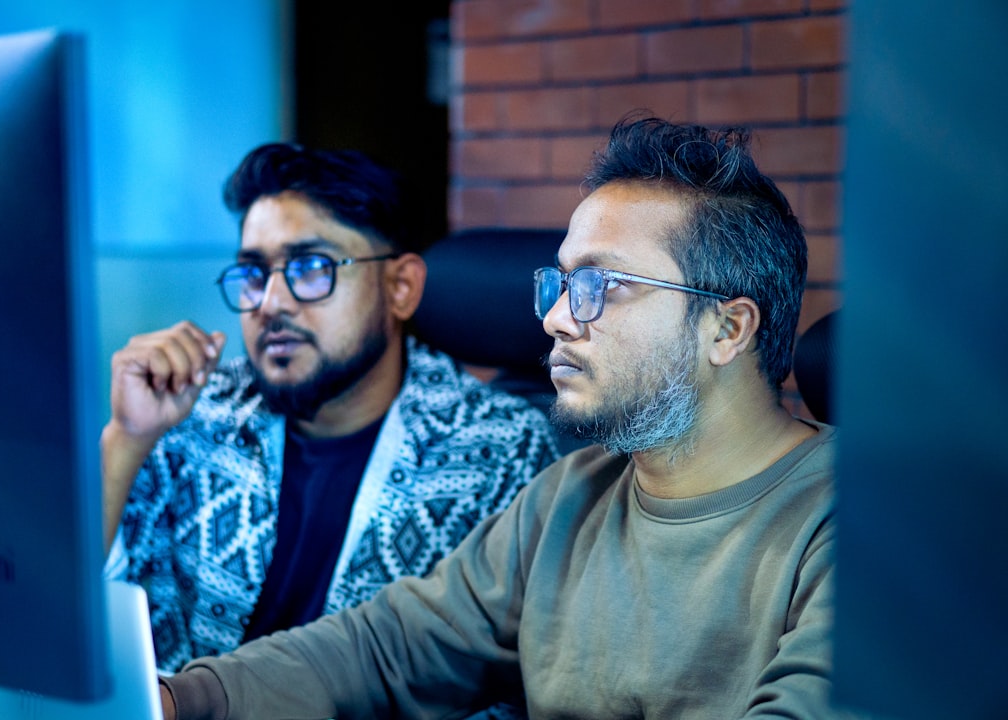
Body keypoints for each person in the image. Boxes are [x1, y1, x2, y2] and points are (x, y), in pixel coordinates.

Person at [157, 114, 854, 719]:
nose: (556, 319)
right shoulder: (568, 499)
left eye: (602, 285)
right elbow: (385, 649)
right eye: (562, 283)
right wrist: (182, 699)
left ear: (727, 329)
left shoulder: (860, 526)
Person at [101, 143, 560, 678]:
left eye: (311, 267)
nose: (270, 303)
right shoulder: (193, 413)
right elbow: (73, 608)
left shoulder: (498, 449)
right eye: (254, 273)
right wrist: (125, 438)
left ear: (401, 287)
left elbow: (506, 680)